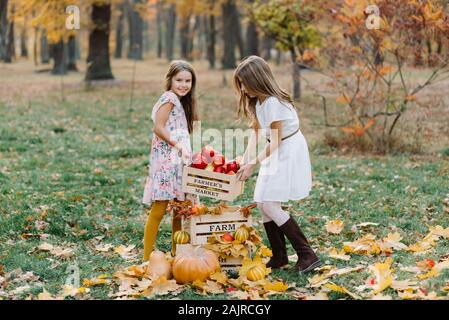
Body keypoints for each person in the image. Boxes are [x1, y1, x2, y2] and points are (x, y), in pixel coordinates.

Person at [235, 56, 321, 273]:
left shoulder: (274, 102)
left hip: (287, 151)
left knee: (271, 204)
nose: (243, 89)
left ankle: (307, 254)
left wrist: (253, 164)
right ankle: (279, 256)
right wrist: (244, 160)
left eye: (245, 83)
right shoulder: (258, 101)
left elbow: (276, 141)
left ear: (257, 80)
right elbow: (256, 132)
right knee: (262, 202)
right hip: (273, 149)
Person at [142, 60, 199, 260]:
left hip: (177, 163)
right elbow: (159, 126)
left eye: (188, 81)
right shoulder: (169, 98)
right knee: (159, 209)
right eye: (179, 80)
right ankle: (147, 258)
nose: (183, 84)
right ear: (170, 80)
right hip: (166, 164)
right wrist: (179, 145)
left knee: (178, 210)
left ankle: (177, 254)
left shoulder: (180, 101)